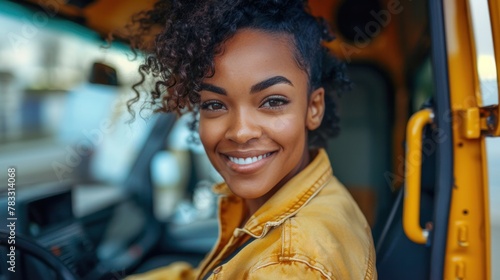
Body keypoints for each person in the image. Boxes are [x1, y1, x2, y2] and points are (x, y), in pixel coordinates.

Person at [127, 0, 377, 279]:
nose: (241, 132)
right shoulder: (308, 200)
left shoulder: (291, 263)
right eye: (214, 104)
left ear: (314, 108)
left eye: (272, 101)